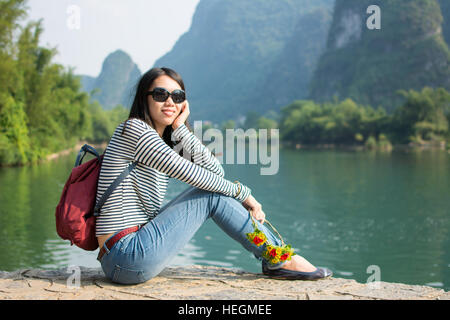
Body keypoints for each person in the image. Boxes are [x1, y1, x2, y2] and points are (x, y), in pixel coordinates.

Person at [95, 67, 332, 284]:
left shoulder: (161, 140)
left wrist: (179, 128)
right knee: (212, 195)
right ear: (143, 99)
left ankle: (278, 255)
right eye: (160, 94)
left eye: (177, 97)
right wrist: (243, 194)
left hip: (132, 250)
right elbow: (194, 176)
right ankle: (279, 258)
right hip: (125, 255)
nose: (169, 102)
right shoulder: (135, 131)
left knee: (214, 191)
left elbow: (216, 171)